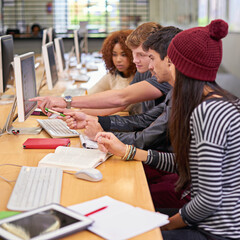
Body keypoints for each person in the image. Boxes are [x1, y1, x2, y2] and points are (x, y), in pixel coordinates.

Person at [94, 19, 240, 240]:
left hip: (215, 231)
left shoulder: (208, 112)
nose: (149, 65)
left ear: (173, 63)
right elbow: (187, 164)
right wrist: (126, 151)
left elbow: (209, 200)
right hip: (204, 220)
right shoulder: (207, 101)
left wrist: (164, 226)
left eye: (152, 58)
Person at [57, 27, 190, 210]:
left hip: (175, 175)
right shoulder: (176, 91)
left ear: (168, 60)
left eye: (148, 57)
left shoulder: (185, 96)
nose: (145, 65)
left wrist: (103, 135)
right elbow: (142, 120)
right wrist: (97, 122)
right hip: (164, 161)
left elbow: (142, 133)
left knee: (120, 193)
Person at [30, 22, 171, 116]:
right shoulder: (145, 72)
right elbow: (121, 103)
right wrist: (76, 112)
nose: (134, 60)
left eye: (141, 55)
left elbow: (121, 98)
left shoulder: (164, 77)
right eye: (133, 54)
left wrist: (67, 102)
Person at [82, 29, 139, 115]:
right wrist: (68, 104)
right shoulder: (113, 75)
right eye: (114, 54)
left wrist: (83, 112)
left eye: (123, 55)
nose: (118, 60)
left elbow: (124, 108)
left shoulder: (140, 77)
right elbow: (88, 96)